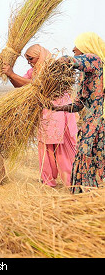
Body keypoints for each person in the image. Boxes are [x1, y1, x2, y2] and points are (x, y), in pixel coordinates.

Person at [2, 44, 78, 188]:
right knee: (45, 146)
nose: (29, 62)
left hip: (59, 111)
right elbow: (20, 85)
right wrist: (9, 75)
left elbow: (38, 85)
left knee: (61, 147)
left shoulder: (53, 69)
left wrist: (12, 74)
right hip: (45, 114)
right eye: (28, 59)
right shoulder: (33, 71)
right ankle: (48, 180)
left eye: (31, 58)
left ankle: (70, 180)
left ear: (40, 55)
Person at [52, 32, 105, 194]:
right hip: (88, 123)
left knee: (92, 156)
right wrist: (58, 108)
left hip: (99, 122)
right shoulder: (86, 73)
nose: (74, 48)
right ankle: (86, 198)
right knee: (84, 156)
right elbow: (79, 104)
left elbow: (69, 61)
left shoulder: (94, 60)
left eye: (77, 45)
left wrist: (54, 64)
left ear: (86, 47)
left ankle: (94, 196)